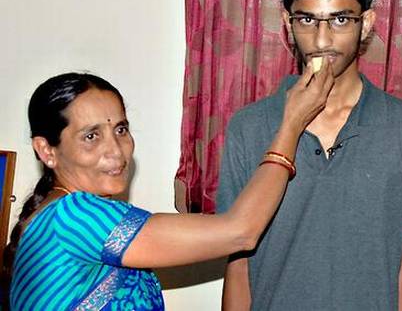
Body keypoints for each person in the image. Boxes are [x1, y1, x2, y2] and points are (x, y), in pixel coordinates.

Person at [217, 0, 402, 310]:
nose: (321, 41)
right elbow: (238, 265)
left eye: (339, 20)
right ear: (288, 23)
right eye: (307, 20)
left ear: (366, 23)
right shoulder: (249, 127)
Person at [1, 68, 333, 310]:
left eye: (121, 129)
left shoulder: (59, 215)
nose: (116, 150)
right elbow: (239, 232)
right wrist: (291, 124)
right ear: (47, 151)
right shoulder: (72, 216)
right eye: (91, 136)